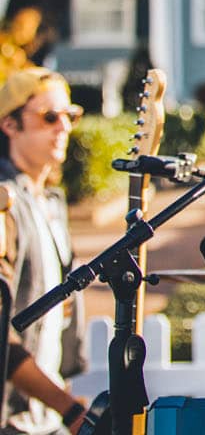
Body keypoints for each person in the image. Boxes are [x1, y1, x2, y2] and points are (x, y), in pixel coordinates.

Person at [0, 69, 88, 435]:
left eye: (70, 115)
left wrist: (61, 402)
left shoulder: (51, 202)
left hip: (45, 420)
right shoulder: (4, 202)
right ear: (10, 124)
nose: (63, 127)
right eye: (49, 117)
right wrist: (67, 408)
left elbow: (56, 317)